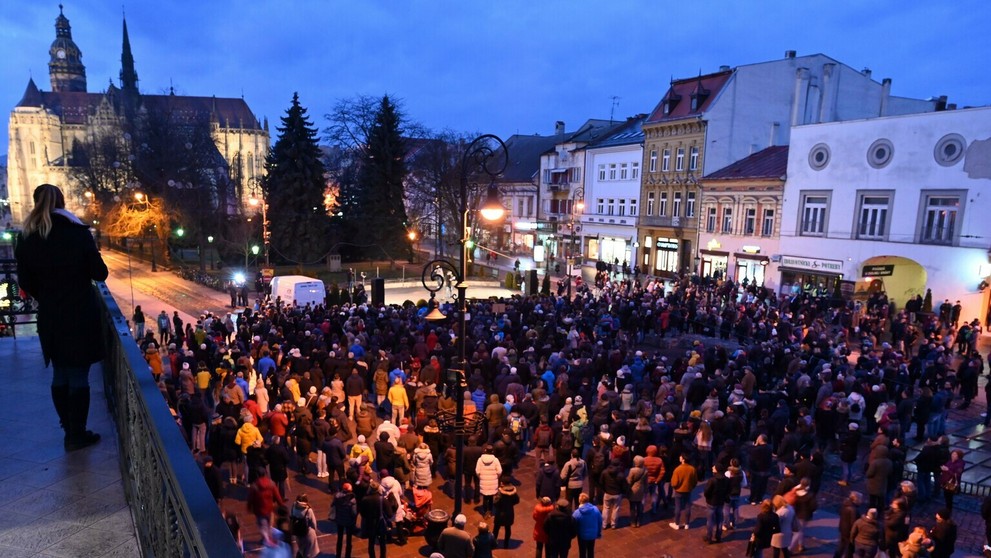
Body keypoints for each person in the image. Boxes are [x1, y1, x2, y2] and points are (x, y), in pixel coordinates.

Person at [15, 184, 109, 451]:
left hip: (50, 315)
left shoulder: (27, 237)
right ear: (62, 202)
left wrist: (47, 296)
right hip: (79, 313)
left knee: (60, 373)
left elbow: (26, 282)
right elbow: (99, 273)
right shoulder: (76, 232)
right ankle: (77, 434)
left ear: (35, 202)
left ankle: (68, 429)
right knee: (78, 375)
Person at [247, 468, 285, 547]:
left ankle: (266, 541)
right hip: (270, 509)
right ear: (265, 473)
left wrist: (249, 507)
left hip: (259, 511)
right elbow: (277, 496)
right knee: (269, 525)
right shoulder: (271, 483)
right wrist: (281, 505)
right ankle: (270, 539)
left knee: (263, 526)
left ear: (257, 475)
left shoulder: (254, 486)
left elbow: (250, 499)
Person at [359, 481, 394, 558]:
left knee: (371, 543)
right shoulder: (382, 500)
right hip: (381, 524)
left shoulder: (364, 499)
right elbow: (390, 514)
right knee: (382, 543)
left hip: (370, 524)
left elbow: (362, 513)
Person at [669, 453, 698, 530]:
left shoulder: (678, 469)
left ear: (683, 459)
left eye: (681, 457)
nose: (679, 457)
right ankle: (687, 524)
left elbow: (674, 483)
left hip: (679, 491)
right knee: (688, 506)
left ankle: (676, 523)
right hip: (688, 490)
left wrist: (675, 487)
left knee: (678, 507)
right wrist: (691, 487)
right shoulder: (692, 469)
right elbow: (695, 481)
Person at [572, 493, 602, 558]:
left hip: (582, 536)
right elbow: (600, 522)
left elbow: (573, 525)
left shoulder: (576, 513)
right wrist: (599, 532)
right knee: (591, 551)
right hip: (592, 534)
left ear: (579, 501)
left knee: (582, 552)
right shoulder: (595, 509)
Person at [493, 476, 520, 548]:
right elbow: (517, 500)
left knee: (496, 528)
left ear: (503, 483)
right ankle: (506, 544)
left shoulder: (500, 493)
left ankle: (493, 543)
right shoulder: (513, 491)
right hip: (509, 512)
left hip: (500, 513)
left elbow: (495, 503)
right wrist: (510, 504)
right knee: (508, 528)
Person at [289, 494, 319, 558]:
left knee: (301, 549)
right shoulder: (308, 510)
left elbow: (291, 517)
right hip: (308, 533)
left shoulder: (294, 507)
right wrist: (315, 530)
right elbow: (313, 522)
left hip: (298, 533)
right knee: (309, 552)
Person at [332, 483, 358, 558]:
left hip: (339, 520)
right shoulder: (352, 499)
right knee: (349, 540)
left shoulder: (337, 496)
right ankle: (347, 555)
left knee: (339, 539)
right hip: (349, 521)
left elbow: (333, 505)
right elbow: (354, 512)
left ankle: (338, 555)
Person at [476, 445, 503, 516]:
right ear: (492, 451)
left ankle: (485, 512)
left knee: (485, 498)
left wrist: (481, 477)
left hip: (484, 482)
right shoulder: (495, 460)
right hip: (493, 482)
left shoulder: (480, 460)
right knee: (491, 498)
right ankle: (490, 511)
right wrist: (496, 476)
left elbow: (477, 471)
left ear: (485, 450)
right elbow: (499, 471)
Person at [834, 491, 861, 558]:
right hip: (849, 533)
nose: (861, 501)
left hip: (842, 529)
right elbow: (853, 523)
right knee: (849, 550)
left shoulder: (845, 505)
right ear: (856, 499)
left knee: (841, 546)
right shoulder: (854, 510)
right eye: (860, 499)